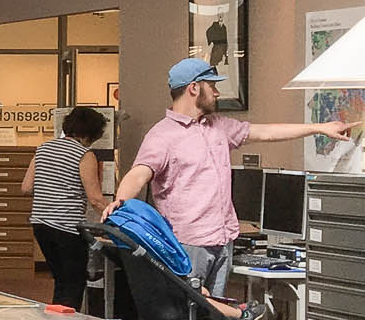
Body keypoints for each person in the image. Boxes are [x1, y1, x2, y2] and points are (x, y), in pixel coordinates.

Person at [112, 58, 351, 295]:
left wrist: (319, 128)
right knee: (179, 315)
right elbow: (138, 174)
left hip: (223, 241)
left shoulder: (219, 127)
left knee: (214, 317)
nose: (217, 93)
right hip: (187, 243)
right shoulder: (162, 136)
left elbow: (265, 132)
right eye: (212, 86)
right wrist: (120, 204)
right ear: (194, 88)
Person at [21, 106, 110, 310]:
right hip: (66, 227)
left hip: (40, 225)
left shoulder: (43, 148)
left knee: (60, 279)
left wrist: (51, 189)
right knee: (74, 283)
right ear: (92, 133)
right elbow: (95, 198)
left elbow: (26, 187)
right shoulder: (84, 155)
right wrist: (117, 216)